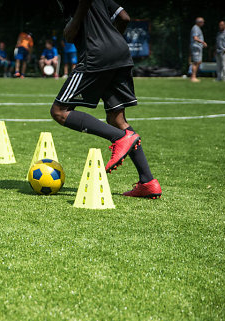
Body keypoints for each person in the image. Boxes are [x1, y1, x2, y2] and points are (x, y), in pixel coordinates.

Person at [51, 0, 161, 199]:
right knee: (117, 120)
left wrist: (73, 25)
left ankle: (119, 138)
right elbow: (124, 17)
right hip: (119, 51)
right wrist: (110, 39)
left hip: (95, 55)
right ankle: (148, 182)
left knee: (60, 111)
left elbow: (73, 28)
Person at [190, 17, 207, 83]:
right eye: (202, 22)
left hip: (198, 47)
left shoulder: (197, 28)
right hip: (196, 47)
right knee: (196, 62)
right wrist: (202, 42)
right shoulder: (195, 28)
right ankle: (193, 77)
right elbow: (195, 38)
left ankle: (194, 76)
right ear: (199, 22)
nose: (203, 23)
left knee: (198, 62)